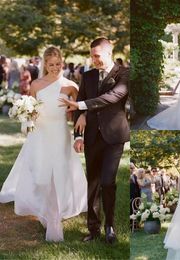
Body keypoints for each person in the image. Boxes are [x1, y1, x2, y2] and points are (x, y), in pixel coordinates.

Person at [0, 46, 88, 242]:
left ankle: (55, 223)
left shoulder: (70, 86)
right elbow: (31, 109)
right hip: (39, 134)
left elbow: (81, 108)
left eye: (58, 64)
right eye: (51, 65)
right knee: (41, 177)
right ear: (45, 65)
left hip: (59, 133)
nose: (55, 68)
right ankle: (45, 211)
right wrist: (26, 115)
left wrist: (82, 123)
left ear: (62, 63)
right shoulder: (36, 85)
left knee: (57, 175)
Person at [59, 37, 129, 244]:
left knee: (108, 182)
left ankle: (110, 227)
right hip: (91, 137)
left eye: (97, 56)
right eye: (91, 56)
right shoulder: (87, 76)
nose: (94, 59)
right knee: (93, 184)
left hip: (114, 136)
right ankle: (93, 229)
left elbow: (112, 98)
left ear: (109, 53)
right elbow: (77, 110)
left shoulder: (124, 74)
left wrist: (81, 106)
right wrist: (78, 135)